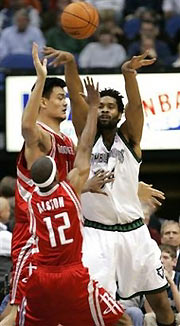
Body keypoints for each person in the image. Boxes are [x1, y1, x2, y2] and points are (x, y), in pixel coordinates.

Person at [43, 46, 177, 326]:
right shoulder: (86, 138)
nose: (103, 110)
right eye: (100, 106)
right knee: (92, 305)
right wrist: (70, 65)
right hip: (96, 235)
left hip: (134, 234)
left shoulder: (129, 137)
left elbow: (137, 108)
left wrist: (128, 74)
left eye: (109, 107)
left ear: (119, 113)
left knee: (162, 306)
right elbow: (81, 104)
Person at [20, 78, 124, 326]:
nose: (65, 101)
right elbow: (86, 146)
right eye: (60, 97)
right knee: (122, 320)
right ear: (56, 169)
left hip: (42, 272)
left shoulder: (33, 197)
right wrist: (91, 110)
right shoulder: (69, 189)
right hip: (71, 268)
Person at [144, 244, 180, 325]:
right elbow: (149, 311)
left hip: (176, 315)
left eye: (166, 257)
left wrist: (171, 282)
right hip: (159, 317)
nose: (162, 261)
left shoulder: (178, 277)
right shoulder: (150, 279)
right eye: (159, 258)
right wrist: (153, 283)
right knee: (149, 317)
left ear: (174, 262)